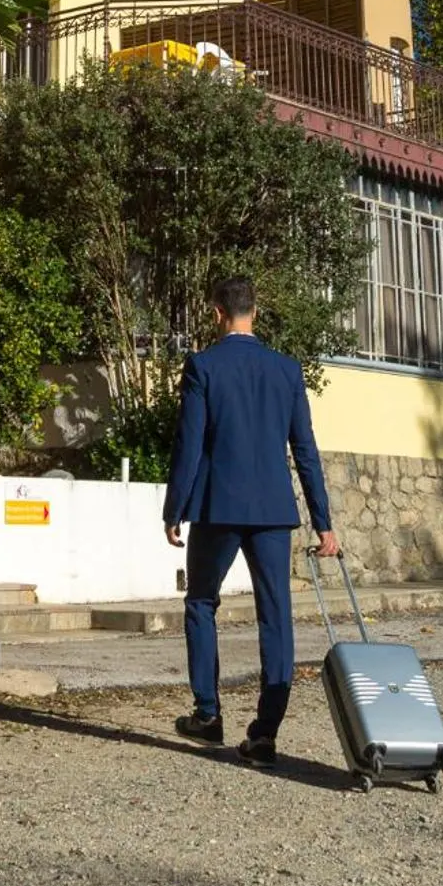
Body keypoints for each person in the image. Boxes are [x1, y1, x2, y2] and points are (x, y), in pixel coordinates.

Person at [162, 274, 339, 766]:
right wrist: (323, 522)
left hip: (217, 507)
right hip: (273, 511)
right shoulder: (287, 370)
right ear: (254, 312)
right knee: (275, 614)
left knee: (201, 602)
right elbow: (305, 450)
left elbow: (189, 444)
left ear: (217, 313)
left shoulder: (203, 365)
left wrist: (175, 508)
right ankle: (265, 735)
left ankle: (207, 713)